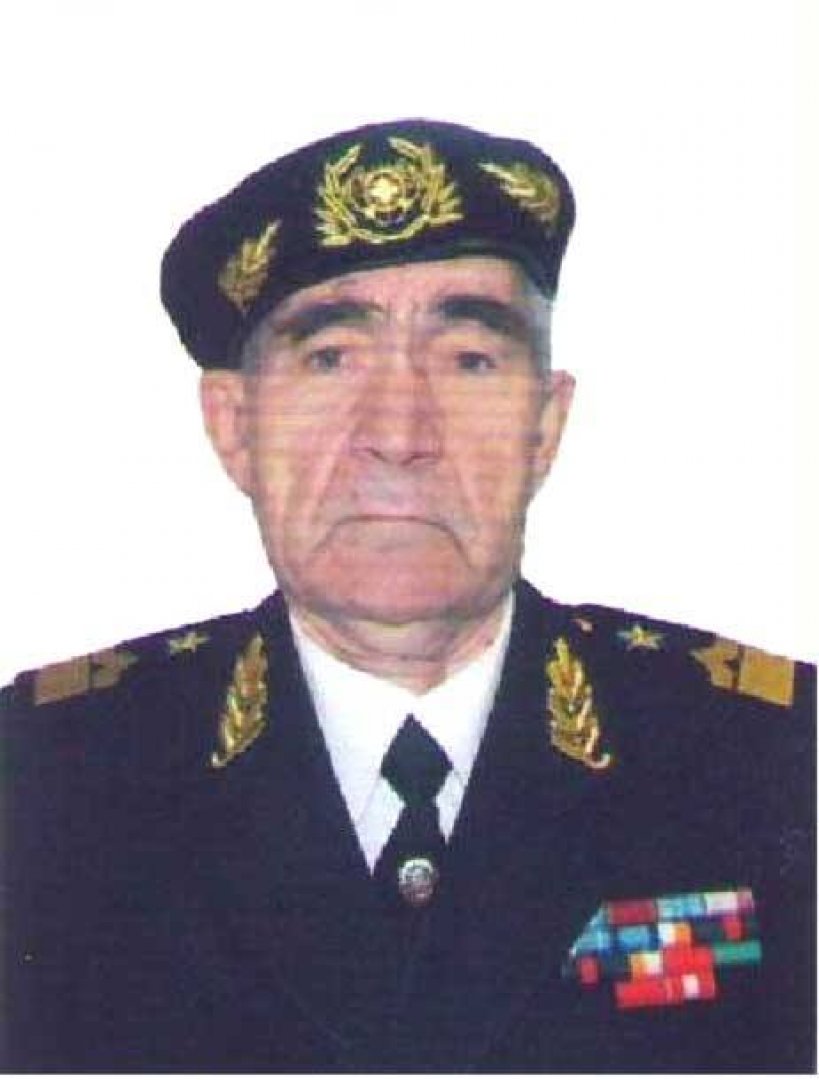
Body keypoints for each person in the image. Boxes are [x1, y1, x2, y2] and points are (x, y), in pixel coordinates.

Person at [1, 119, 814, 1073]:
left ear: (545, 425)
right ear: (234, 426)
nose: (397, 433)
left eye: (469, 360)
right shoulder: (46, 784)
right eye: (330, 359)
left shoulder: (770, 762)